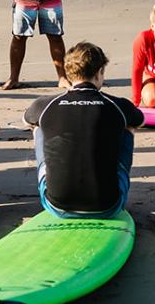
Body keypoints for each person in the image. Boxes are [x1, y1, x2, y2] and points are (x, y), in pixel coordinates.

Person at [24, 42, 142, 218]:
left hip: (56, 206)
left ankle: (60, 182)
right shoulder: (118, 105)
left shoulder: (45, 104)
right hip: (108, 206)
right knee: (128, 128)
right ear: (100, 72)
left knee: (38, 128)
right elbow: (140, 120)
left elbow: (26, 119)